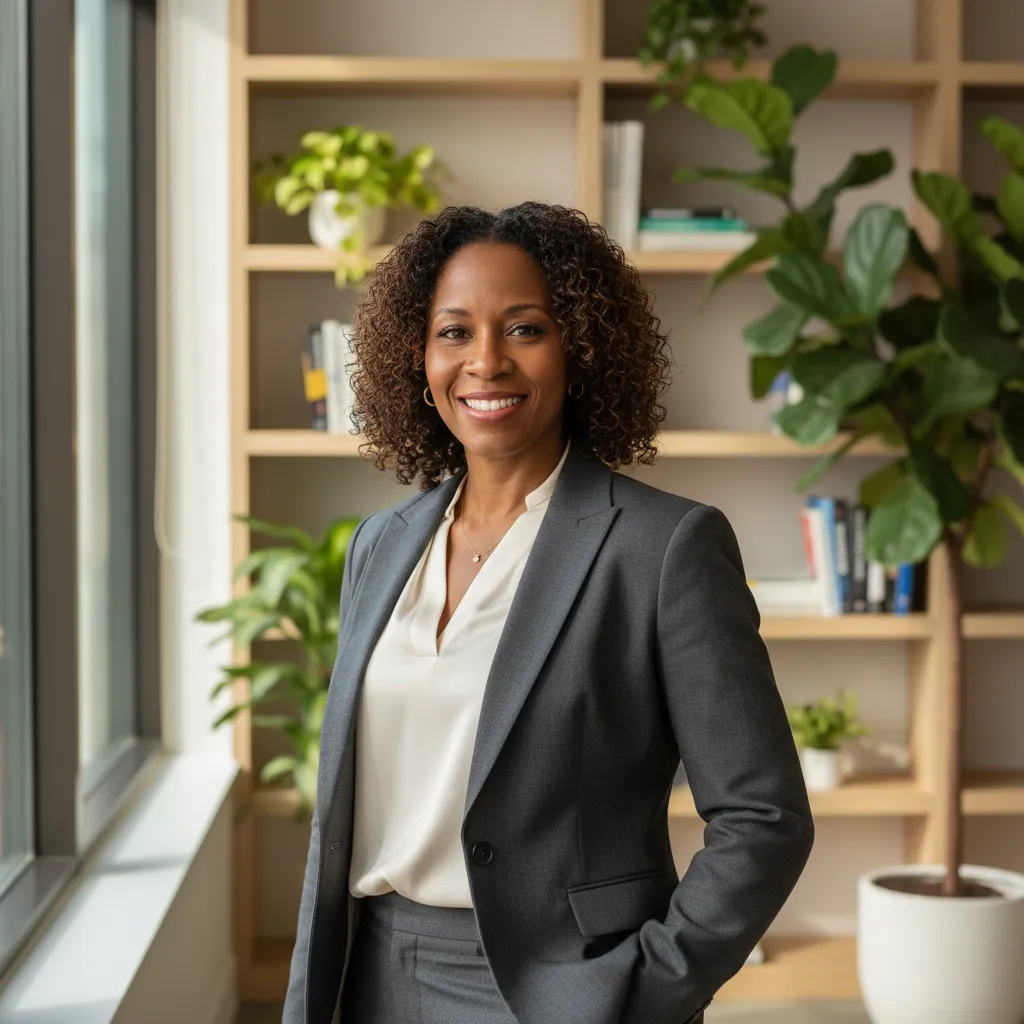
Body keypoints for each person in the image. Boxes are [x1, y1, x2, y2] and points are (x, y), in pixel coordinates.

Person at [282, 201, 815, 1024]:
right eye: (454, 332)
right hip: (373, 974)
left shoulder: (664, 547)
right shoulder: (380, 546)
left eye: (525, 328)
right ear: (416, 357)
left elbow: (763, 817)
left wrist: (647, 990)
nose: (485, 361)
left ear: (581, 349)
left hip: (563, 990)